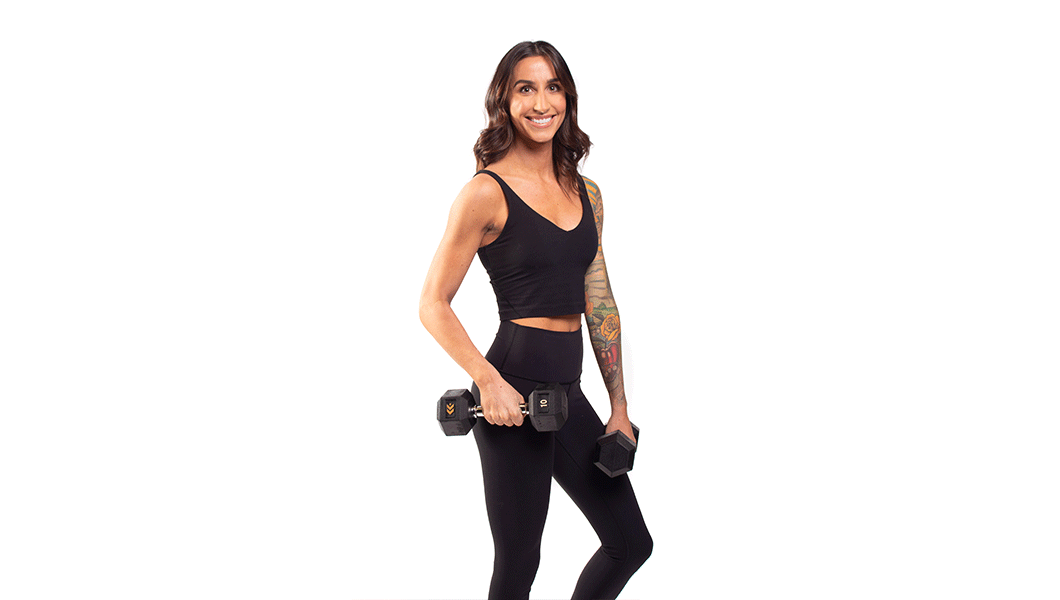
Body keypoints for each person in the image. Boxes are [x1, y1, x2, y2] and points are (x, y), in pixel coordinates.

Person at [419, 40, 652, 600]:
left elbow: (599, 301)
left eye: (553, 87)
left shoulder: (585, 193)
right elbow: (432, 303)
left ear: (567, 98)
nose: (541, 101)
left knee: (630, 543)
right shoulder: (484, 192)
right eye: (526, 88)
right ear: (505, 99)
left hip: (568, 392)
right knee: (520, 563)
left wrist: (619, 407)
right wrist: (489, 381)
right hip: (513, 391)